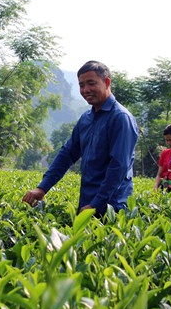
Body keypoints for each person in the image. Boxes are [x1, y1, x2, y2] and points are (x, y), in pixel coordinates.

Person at [22, 60, 139, 216]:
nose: (85, 90)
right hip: (87, 201)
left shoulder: (121, 118)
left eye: (91, 83)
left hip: (112, 205)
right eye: (81, 85)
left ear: (107, 82)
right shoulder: (86, 118)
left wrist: (97, 204)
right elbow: (68, 153)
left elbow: (118, 166)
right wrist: (42, 188)